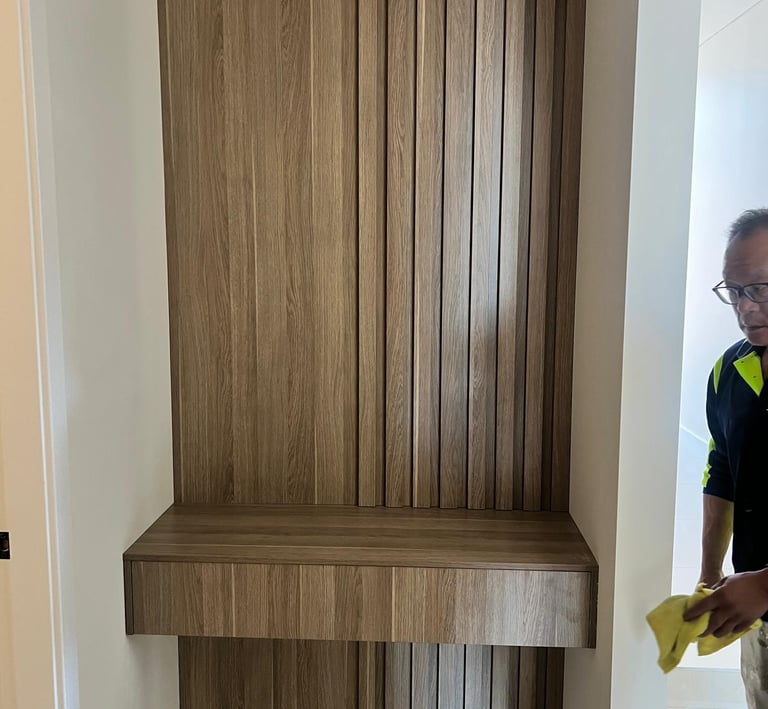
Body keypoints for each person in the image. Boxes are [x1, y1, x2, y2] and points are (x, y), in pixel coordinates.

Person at [684, 209, 768, 709]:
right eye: (734, 292)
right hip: (759, 624)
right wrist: (709, 576)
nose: (745, 308)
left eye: (759, 288)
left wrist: (765, 585)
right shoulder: (727, 371)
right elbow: (722, 476)